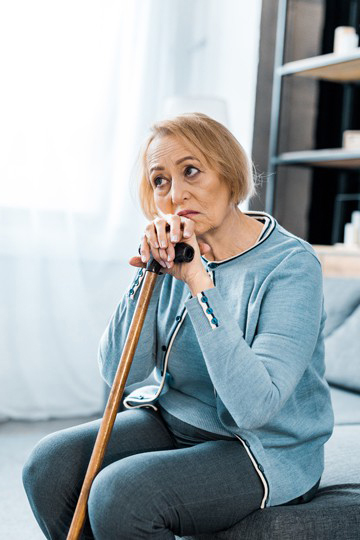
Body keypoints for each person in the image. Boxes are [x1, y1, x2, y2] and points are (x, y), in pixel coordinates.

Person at [22, 112, 334, 539]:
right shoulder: (177, 251)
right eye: (160, 181)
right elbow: (120, 375)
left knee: (121, 494)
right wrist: (147, 272)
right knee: (49, 466)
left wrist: (199, 283)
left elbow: (255, 408)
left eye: (191, 171)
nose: (175, 193)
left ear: (228, 173)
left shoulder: (291, 266)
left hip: (261, 448)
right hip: (176, 420)